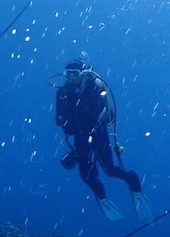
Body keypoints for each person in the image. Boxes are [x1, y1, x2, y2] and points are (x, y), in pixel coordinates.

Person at [55, 58, 153, 221]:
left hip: (98, 135)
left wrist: (97, 126)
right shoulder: (63, 93)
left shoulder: (95, 87)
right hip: (79, 137)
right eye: (68, 74)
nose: (71, 78)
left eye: (75, 74)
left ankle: (134, 184)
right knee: (87, 176)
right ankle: (102, 199)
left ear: (83, 74)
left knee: (110, 170)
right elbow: (59, 117)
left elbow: (109, 115)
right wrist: (68, 125)